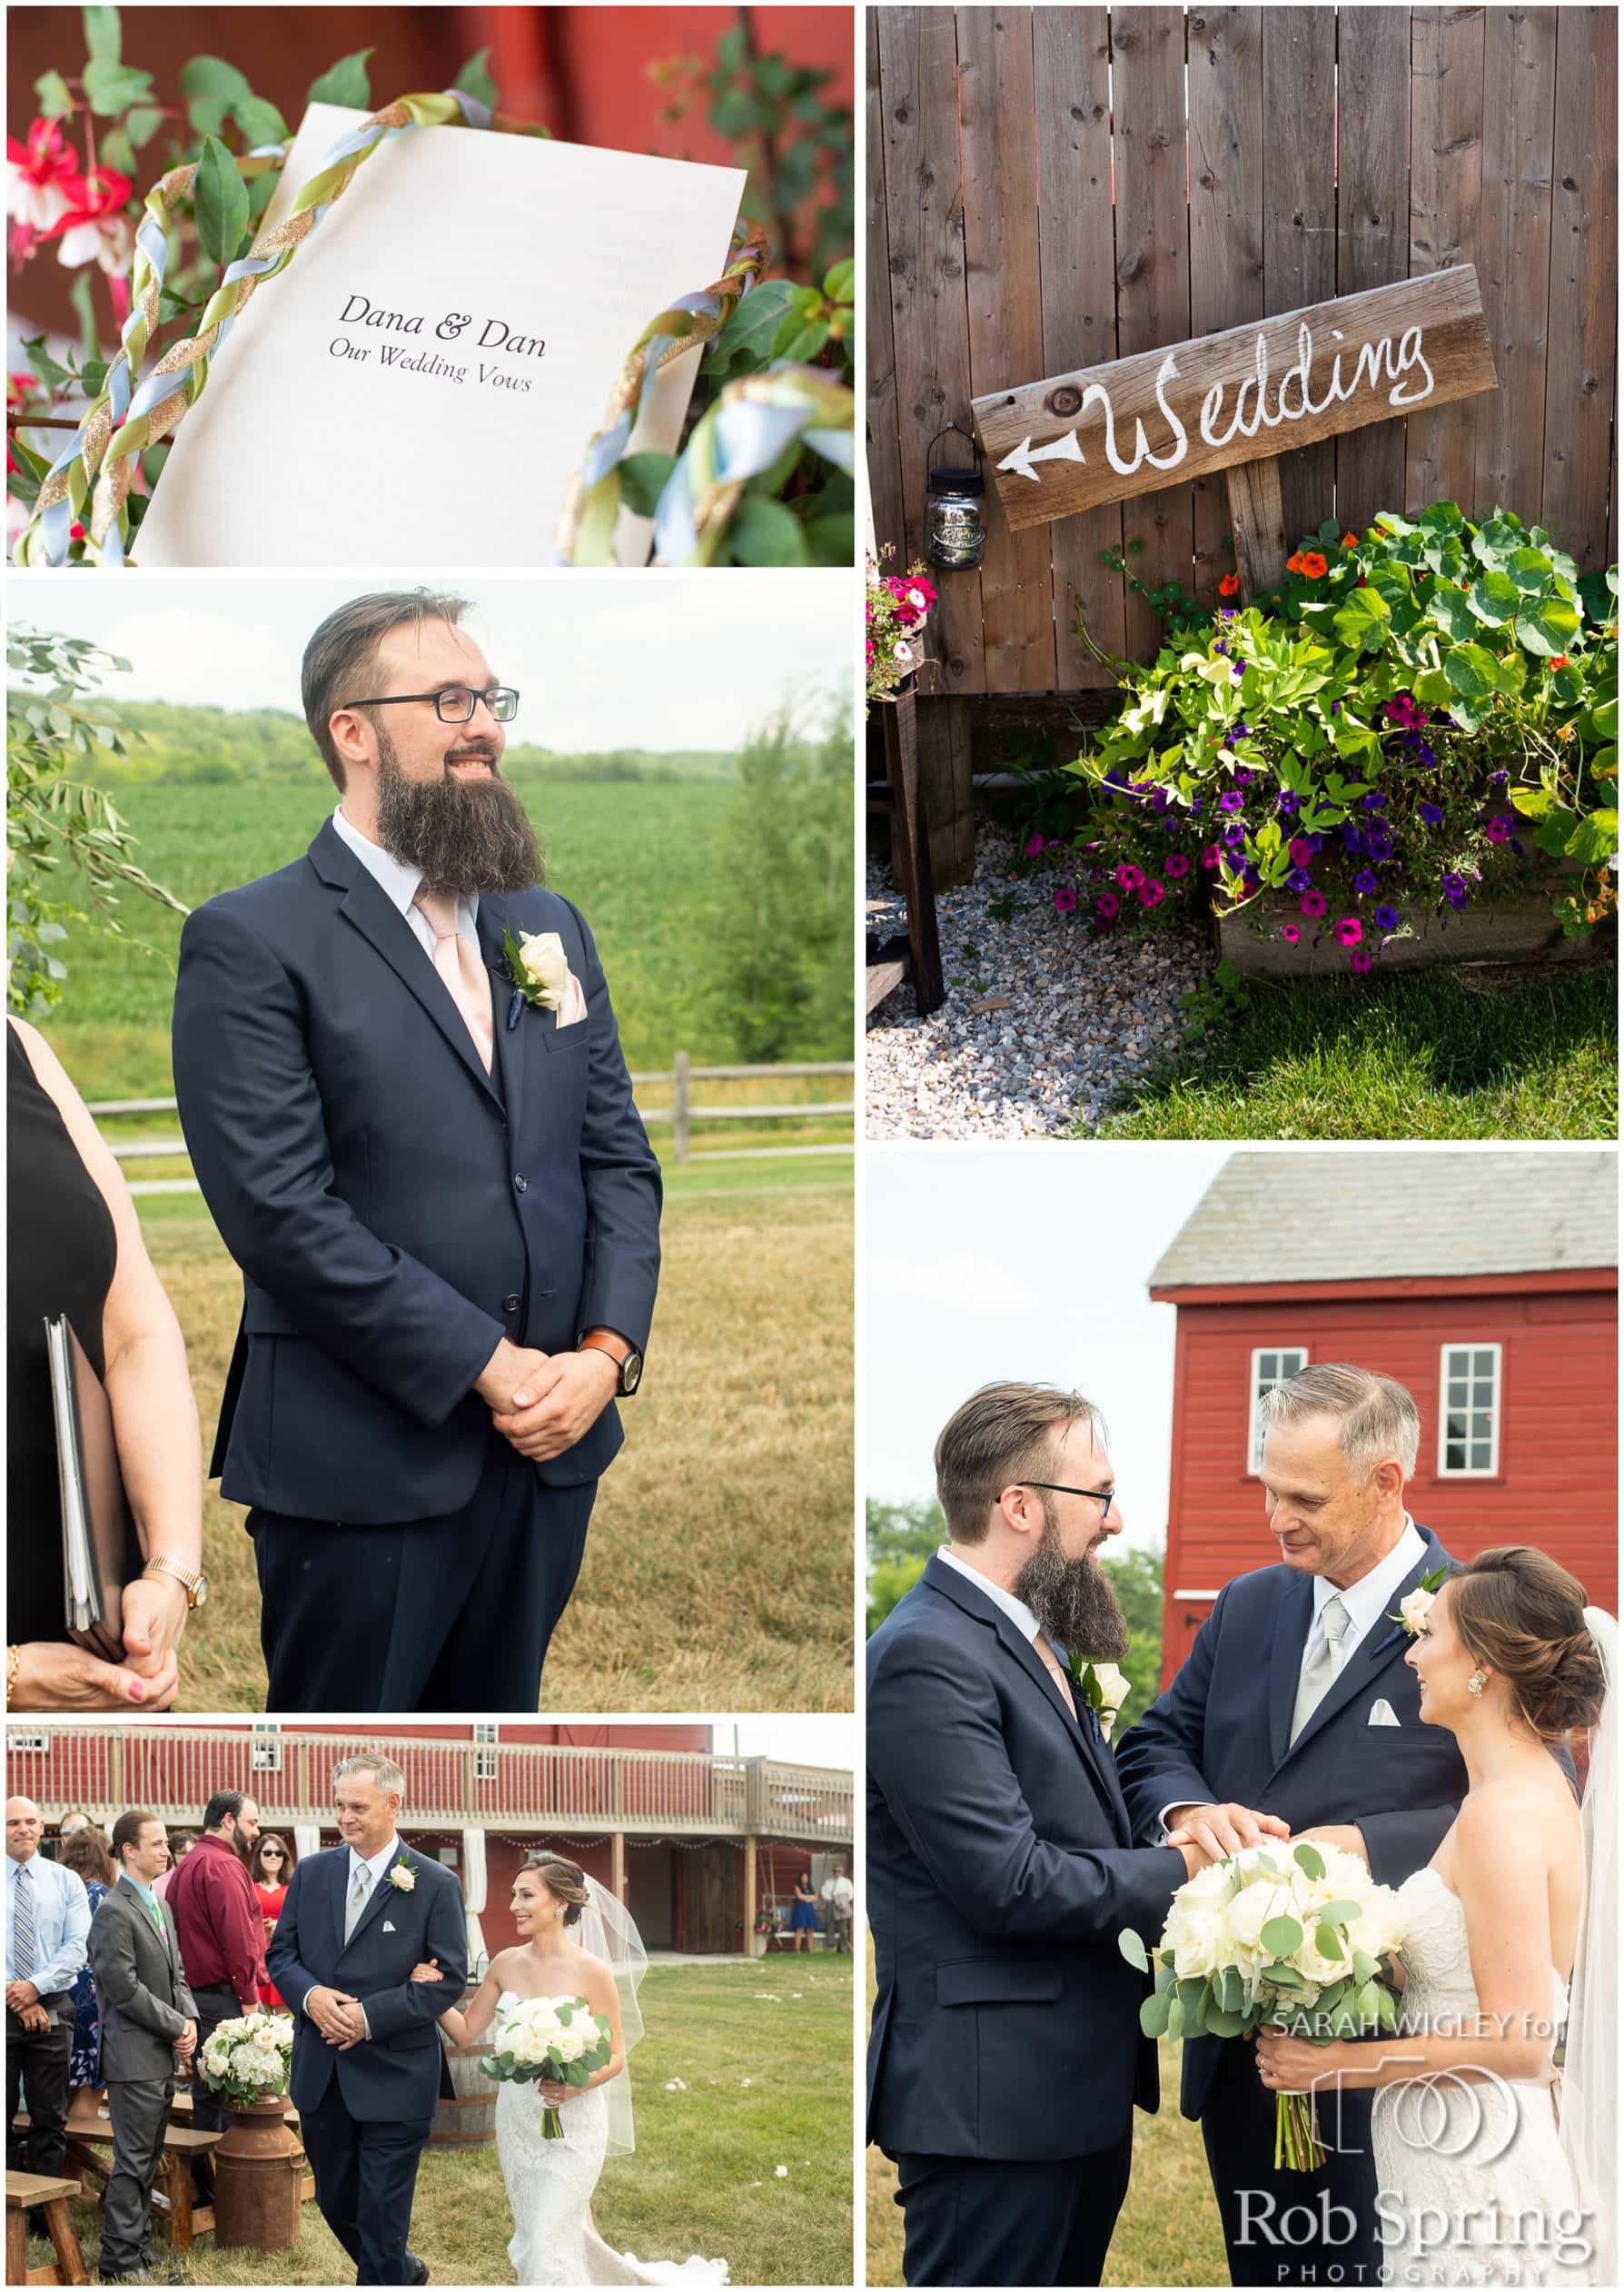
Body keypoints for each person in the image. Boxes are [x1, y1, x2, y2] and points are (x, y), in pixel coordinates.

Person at [171, 590, 662, 1712]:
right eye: (448, 700)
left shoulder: (545, 923)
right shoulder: (254, 939)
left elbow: (615, 1160)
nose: (483, 722)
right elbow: (279, 1216)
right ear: (353, 730)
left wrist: (601, 1355)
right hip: (363, 1465)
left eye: (490, 699)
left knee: (492, 1739)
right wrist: (489, 1368)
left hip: (549, 1456)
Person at [1115, 1364, 1472, 2288]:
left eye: (1304, 1497)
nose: (1278, 1517)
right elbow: (1154, 1742)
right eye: (1269, 1489)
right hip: (1243, 2050)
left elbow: (1532, 1802)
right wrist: (1194, 1809)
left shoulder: (1475, 1616)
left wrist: (1367, 1843)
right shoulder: (1246, 1606)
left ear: (1386, 1482)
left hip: (1392, 2052)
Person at [866, 1384, 1204, 2288]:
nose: (1118, 1521)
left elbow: (1078, 1819)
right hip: (991, 2107)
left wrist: (1190, 1820)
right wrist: (1187, 1873)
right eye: (1097, 1495)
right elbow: (1008, 1880)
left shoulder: (1032, 1639)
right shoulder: (926, 1654)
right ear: (1019, 1506)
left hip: (1070, 2093)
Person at [1253, 1549, 1612, 2287]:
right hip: (1450, 2149)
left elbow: (1519, 2040)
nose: (1413, 1654)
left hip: (1478, 2162)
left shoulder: (1501, 1815)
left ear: (1484, 1663)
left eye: (1430, 1634)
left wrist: (1331, 2067)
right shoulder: (1514, 1790)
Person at [6, 1020, 207, 1711]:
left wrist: (169, 1569)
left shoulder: (20, 1045)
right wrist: (10, 1678)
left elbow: (133, 1329)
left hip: (104, 1649)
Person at [426, 1854, 728, 2286]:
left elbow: (616, 2054)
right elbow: (467, 2033)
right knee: (540, 2230)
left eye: (526, 1895)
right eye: (514, 1895)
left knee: (547, 2235)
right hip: (519, 2122)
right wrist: (429, 1993)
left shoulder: (593, 1971)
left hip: (577, 2122)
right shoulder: (505, 1963)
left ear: (562, 1903)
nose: (514, 1904)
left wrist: (572, 2086)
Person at [266, 1755, 467, 2287]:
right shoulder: (311, 1873)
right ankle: (400, 2271)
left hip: (396, 2076)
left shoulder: (435, 1882)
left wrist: (368, 2017)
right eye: (339, 1805)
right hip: (322, 2075)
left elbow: (448, 1978)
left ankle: (385, 2272)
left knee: (381, 2214)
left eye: (358, 1806)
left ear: (393, 1805)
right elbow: (281, 1955)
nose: (345, 1817)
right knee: (335, 2199)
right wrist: (310, 1998)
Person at [89, 1810, 197, 2284]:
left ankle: (139, 2253)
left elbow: (176, 1975)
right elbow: (122, 1989)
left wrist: (189, 2018)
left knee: (149, 2161)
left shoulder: (160, 1904)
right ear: (128, 1850)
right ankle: (118, 2263)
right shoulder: (113, 1911)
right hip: (133, 2056)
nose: (165, 1851)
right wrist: (175, 2025)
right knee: (133, 2162)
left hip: (158, 2051)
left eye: (165, 1844)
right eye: (155, 1844)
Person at [164, 1791, 263, 2203]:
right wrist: (250, 1998)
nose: (256, 1832)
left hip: (192, 1997)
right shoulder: (222, 1865)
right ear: (228, 1821)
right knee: (226, 2097)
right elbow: (237, 1937)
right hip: (223, 1999)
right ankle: (220, 2191)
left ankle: (205, 2189)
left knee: (208, 2094)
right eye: (252, 1823)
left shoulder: (186, 1865)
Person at [5, 1796, 90, 2198]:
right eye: (11, 1823)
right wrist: (19, 1995)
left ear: (43, 1828)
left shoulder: (65, 1880)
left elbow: (76, 1947)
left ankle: (44, 2212)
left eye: (29, 1821)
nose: (21, 1828)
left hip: (52, 2008)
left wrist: (36, 1987)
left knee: (49, 2117)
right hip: (5, 2004)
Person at [59, 1826, 115, 2114]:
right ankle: (78, 2158)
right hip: (93, 2003)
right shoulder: (104, 1897)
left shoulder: (60, 1892)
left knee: (60, 2092)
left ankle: (62, 2157)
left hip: (58, 1997)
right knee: (87, 2095)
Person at [250, 1832, 296, 2009]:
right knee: (258, 2015)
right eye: (268, 1853)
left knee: (283, 2014)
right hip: (257, 1952)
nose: (273, 1857)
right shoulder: (249, 1886)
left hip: (283, 1951)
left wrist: (281, 1926)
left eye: (279, 1853)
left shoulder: (293, 1886)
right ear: (259, 1855)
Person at [152, 1831, 194, 1905]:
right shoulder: (157, 1885)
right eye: (183, 1853)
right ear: (171, 1855)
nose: (189, 1857)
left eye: (192, 1853)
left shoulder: (203, 1880)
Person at [819, 1863, 853, 1955]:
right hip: (831, 1904)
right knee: (830, 1926)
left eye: (839, 1871)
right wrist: (832, 1899)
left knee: (843, 1928)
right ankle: (830, 1948)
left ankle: (843, 1948)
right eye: (835, 1871)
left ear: (842, 1872)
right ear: (833, 1872)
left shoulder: (847, 1882)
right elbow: (823, 1892)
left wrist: (841, 1901)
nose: (837, 1873)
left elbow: (850, 1894)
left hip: (842, 1906)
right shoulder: (828, 1882)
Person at [788, 1872, 818, 1953]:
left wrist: (807, 1898)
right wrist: (810, 1897)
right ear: (800, 1878)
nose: (805, 1878)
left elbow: (816, 1898)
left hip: (809, 1910)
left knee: (810, 1929)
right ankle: (797, 1949)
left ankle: (810, 1949)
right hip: (800, 1910)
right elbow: (800, 1897)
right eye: (804, 1877)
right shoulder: (797, 1887)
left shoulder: (810, 1888)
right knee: (800, 1928)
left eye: (806, 1877)